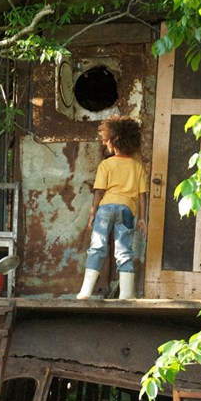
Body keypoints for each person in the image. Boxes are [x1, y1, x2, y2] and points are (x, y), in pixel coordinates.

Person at [77, 116, 148, 299]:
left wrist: (92, 214)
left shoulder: (106, 164)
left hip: (105, 209)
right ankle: (126, 295)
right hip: (126, 210)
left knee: (97, 247)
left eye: (106, 140)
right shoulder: (138, 167)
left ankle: (85, 291)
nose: (105, 143)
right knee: (124, 251)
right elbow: (142, 196)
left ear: (113, 141)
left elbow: (99, 192)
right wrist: (141, 218)